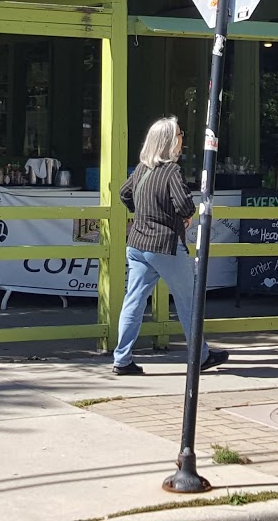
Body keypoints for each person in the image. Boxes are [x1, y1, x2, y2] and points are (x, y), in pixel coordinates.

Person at [111, 117, 228, 376]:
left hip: (138, 243)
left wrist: (140, 212)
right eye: (179, 134)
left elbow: (124, 194)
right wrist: (183, 216)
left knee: (134, 301)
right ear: (170, 141)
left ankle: (122, 359)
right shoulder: (171, 171)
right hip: (164, 244)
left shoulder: (142, 169)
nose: (182, 138)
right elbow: (185, 204)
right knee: (189, 301)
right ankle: (201, 356)